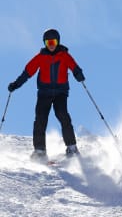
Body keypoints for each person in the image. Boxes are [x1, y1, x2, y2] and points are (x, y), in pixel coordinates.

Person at [8, 28, 85, 161]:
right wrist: (16, 84)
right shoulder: (40, 57)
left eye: (53, 42)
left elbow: (74, 66)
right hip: (44, 93)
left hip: (61, 92)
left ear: (58, 42)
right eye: (48, 43)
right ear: (44, 43)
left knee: (63, 115)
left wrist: (78, 73)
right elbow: (27, 72)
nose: (51, 46)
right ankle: (40, 151)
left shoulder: (64, 55)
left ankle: (72, 148)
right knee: (40, 118)